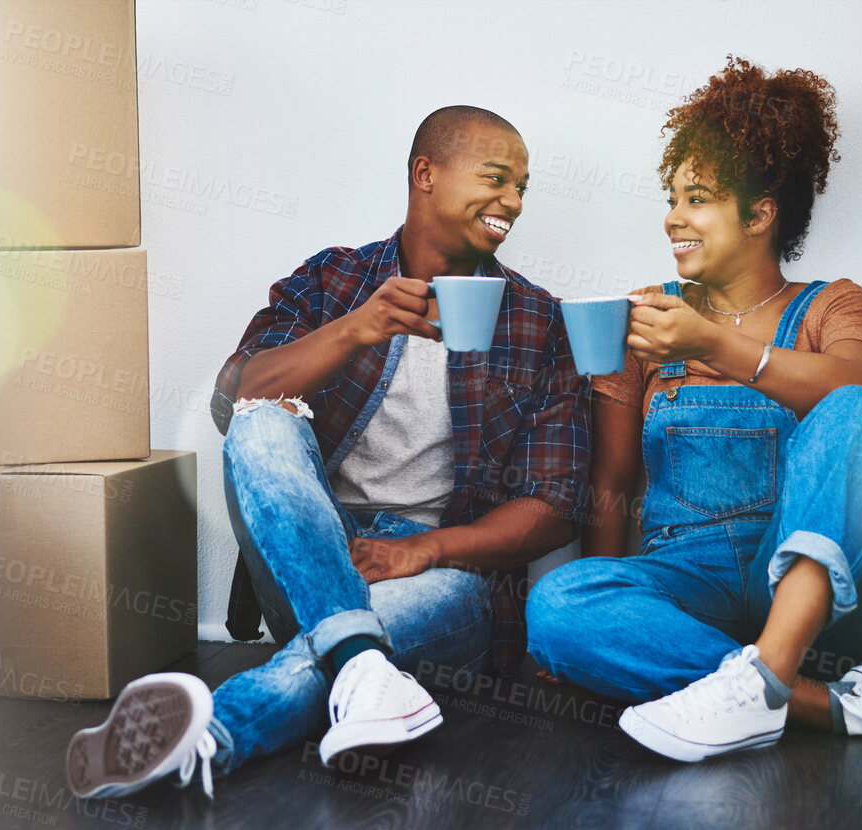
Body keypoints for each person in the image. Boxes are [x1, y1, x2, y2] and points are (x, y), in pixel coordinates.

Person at [65, 105, 590, 799]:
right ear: (425, 174)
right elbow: (234, 396)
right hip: (309, 554)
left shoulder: (537, 319)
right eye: (498, 179)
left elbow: (557, 505)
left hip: (442, 581)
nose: (514, 203)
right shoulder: (333, 281)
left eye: (523, 187)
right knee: (262, 421)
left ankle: (212, 733)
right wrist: (357, 329)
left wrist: (423, 551)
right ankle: (360, 660)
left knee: (348, 645)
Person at [525, 56, 862, 763]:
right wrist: (599, 628)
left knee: (855, 408)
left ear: (761, 214)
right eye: (671, 197)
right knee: (557, 604)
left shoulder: (832, 305)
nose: (672, 217)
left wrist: (714, 342)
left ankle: (769, 672)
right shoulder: (646, 319)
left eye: (697, 197)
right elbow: (613, 485)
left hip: (819, 596)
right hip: (688, 582)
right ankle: (819, 703)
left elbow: (856, 392)